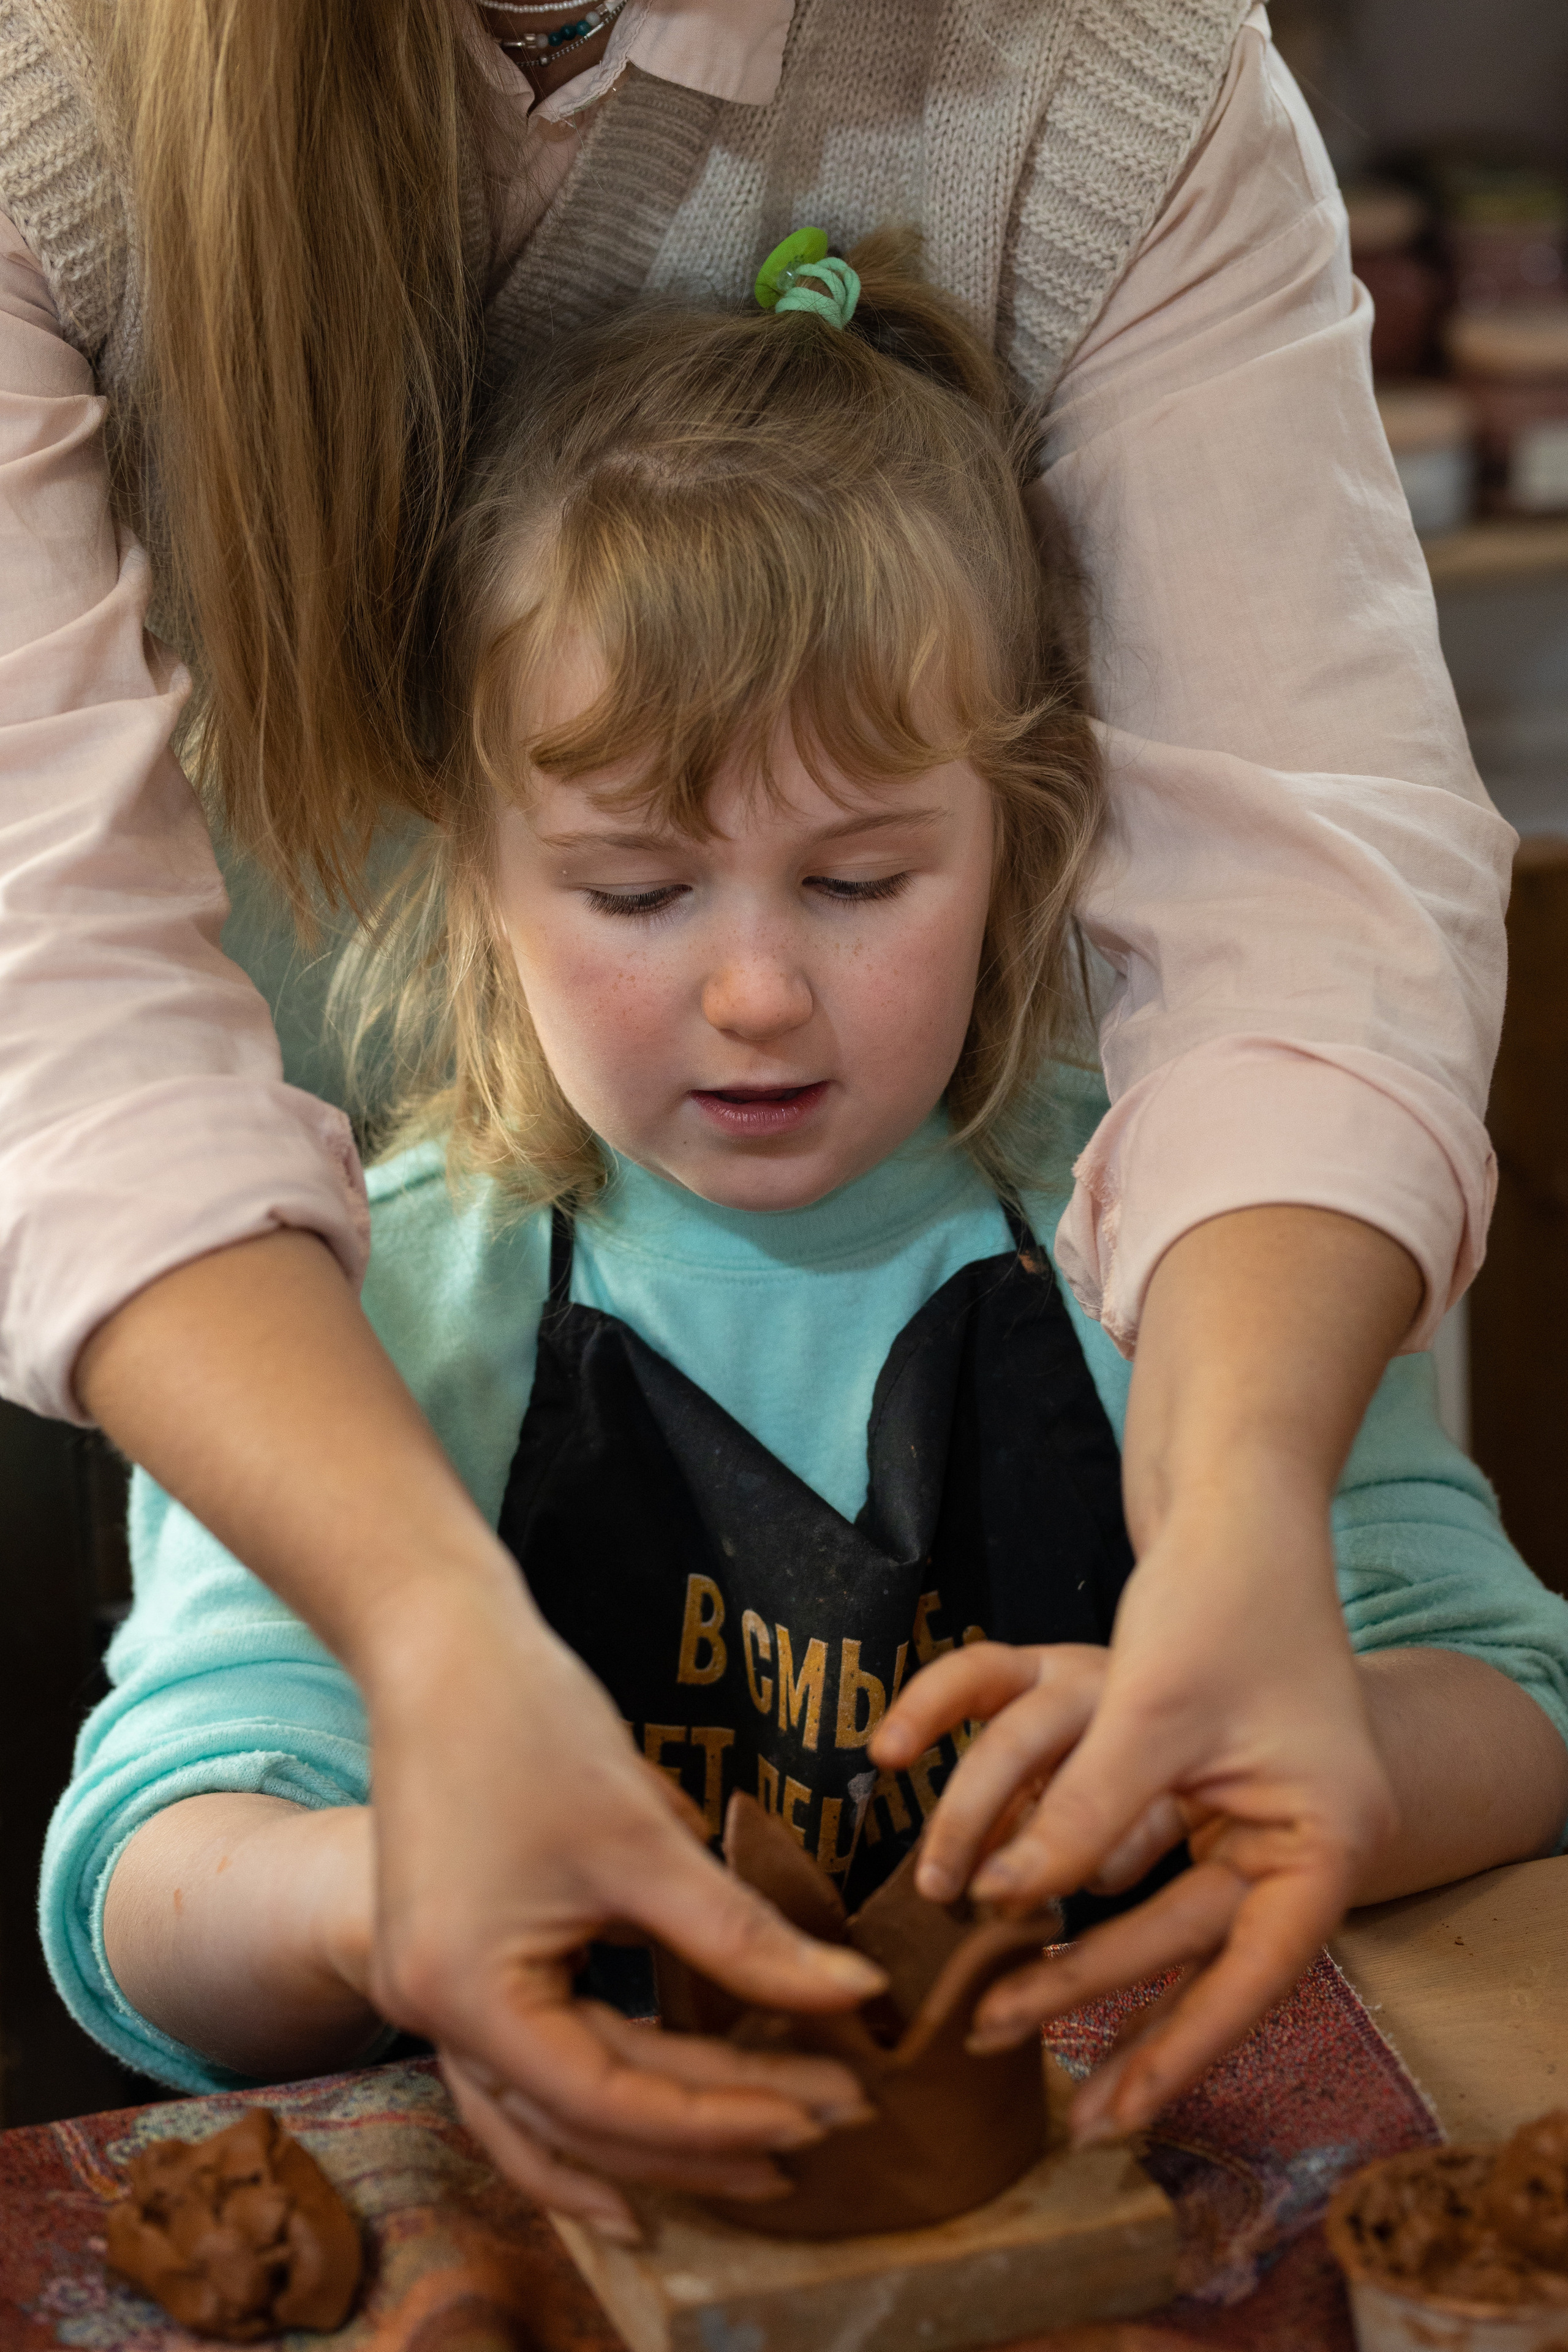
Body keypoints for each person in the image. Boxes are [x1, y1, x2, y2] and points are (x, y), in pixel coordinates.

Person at [2, 0, 1512, 2208]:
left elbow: (1503, 1695)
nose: (750, 985)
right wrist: (370, 1891)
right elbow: (148, 1890)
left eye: (863, 876)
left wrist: (1325, 1728)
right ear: (471, 859)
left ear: (1028, 828)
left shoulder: (1142, 1238)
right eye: (632, 883)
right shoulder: (409, 1305)